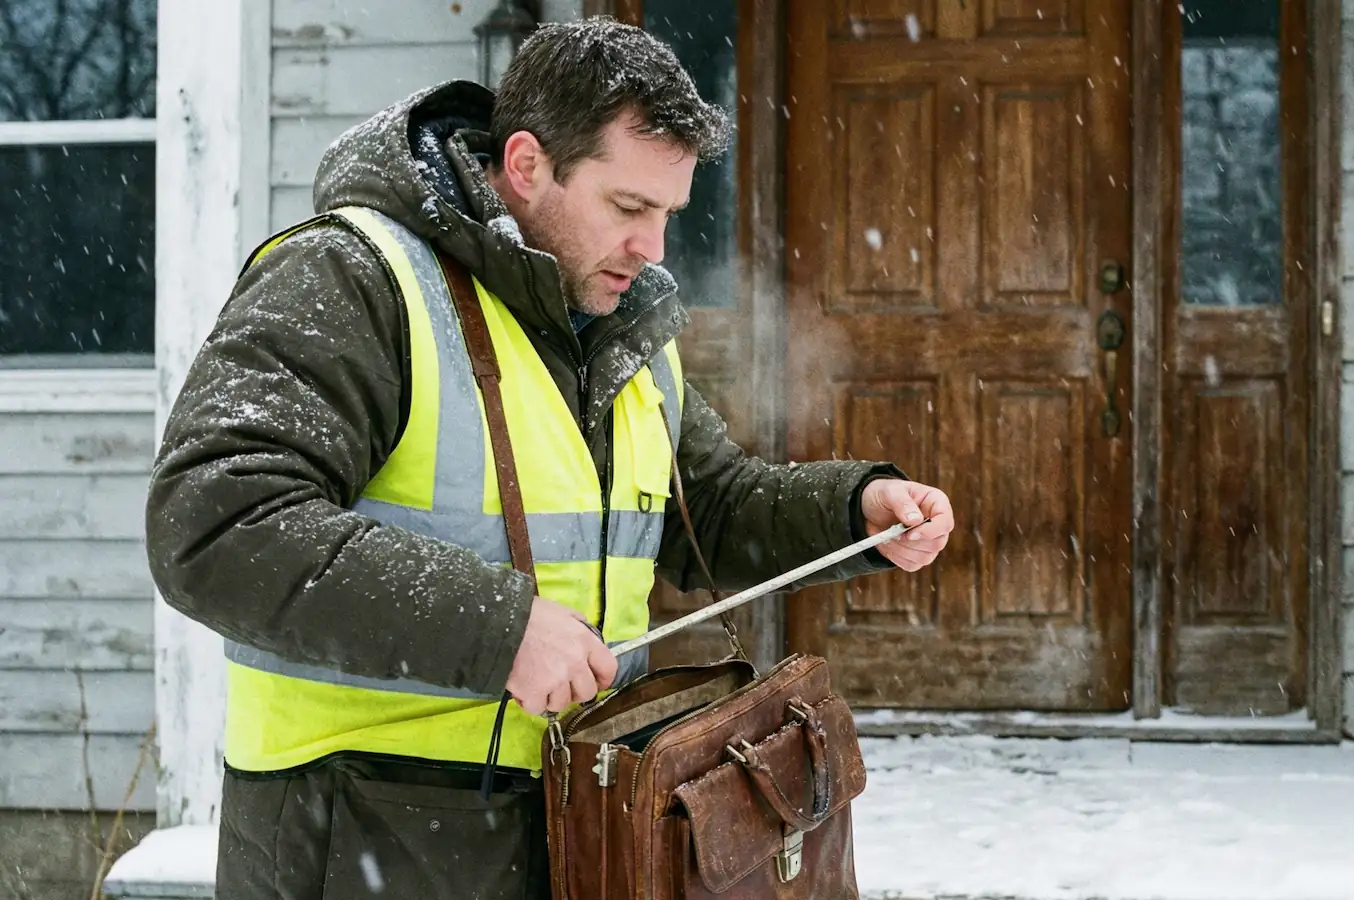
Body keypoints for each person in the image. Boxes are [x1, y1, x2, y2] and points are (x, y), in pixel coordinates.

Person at [144, 17, 953, 900]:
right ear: (526, 165)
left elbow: (705, 512)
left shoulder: (622, 321)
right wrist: (500, 630)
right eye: (629, 207)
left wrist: (855, 511)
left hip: (579, 820)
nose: (654, 249)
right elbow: (215, 520)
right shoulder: (350, 278)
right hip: (359, 833)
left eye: (669, 214)